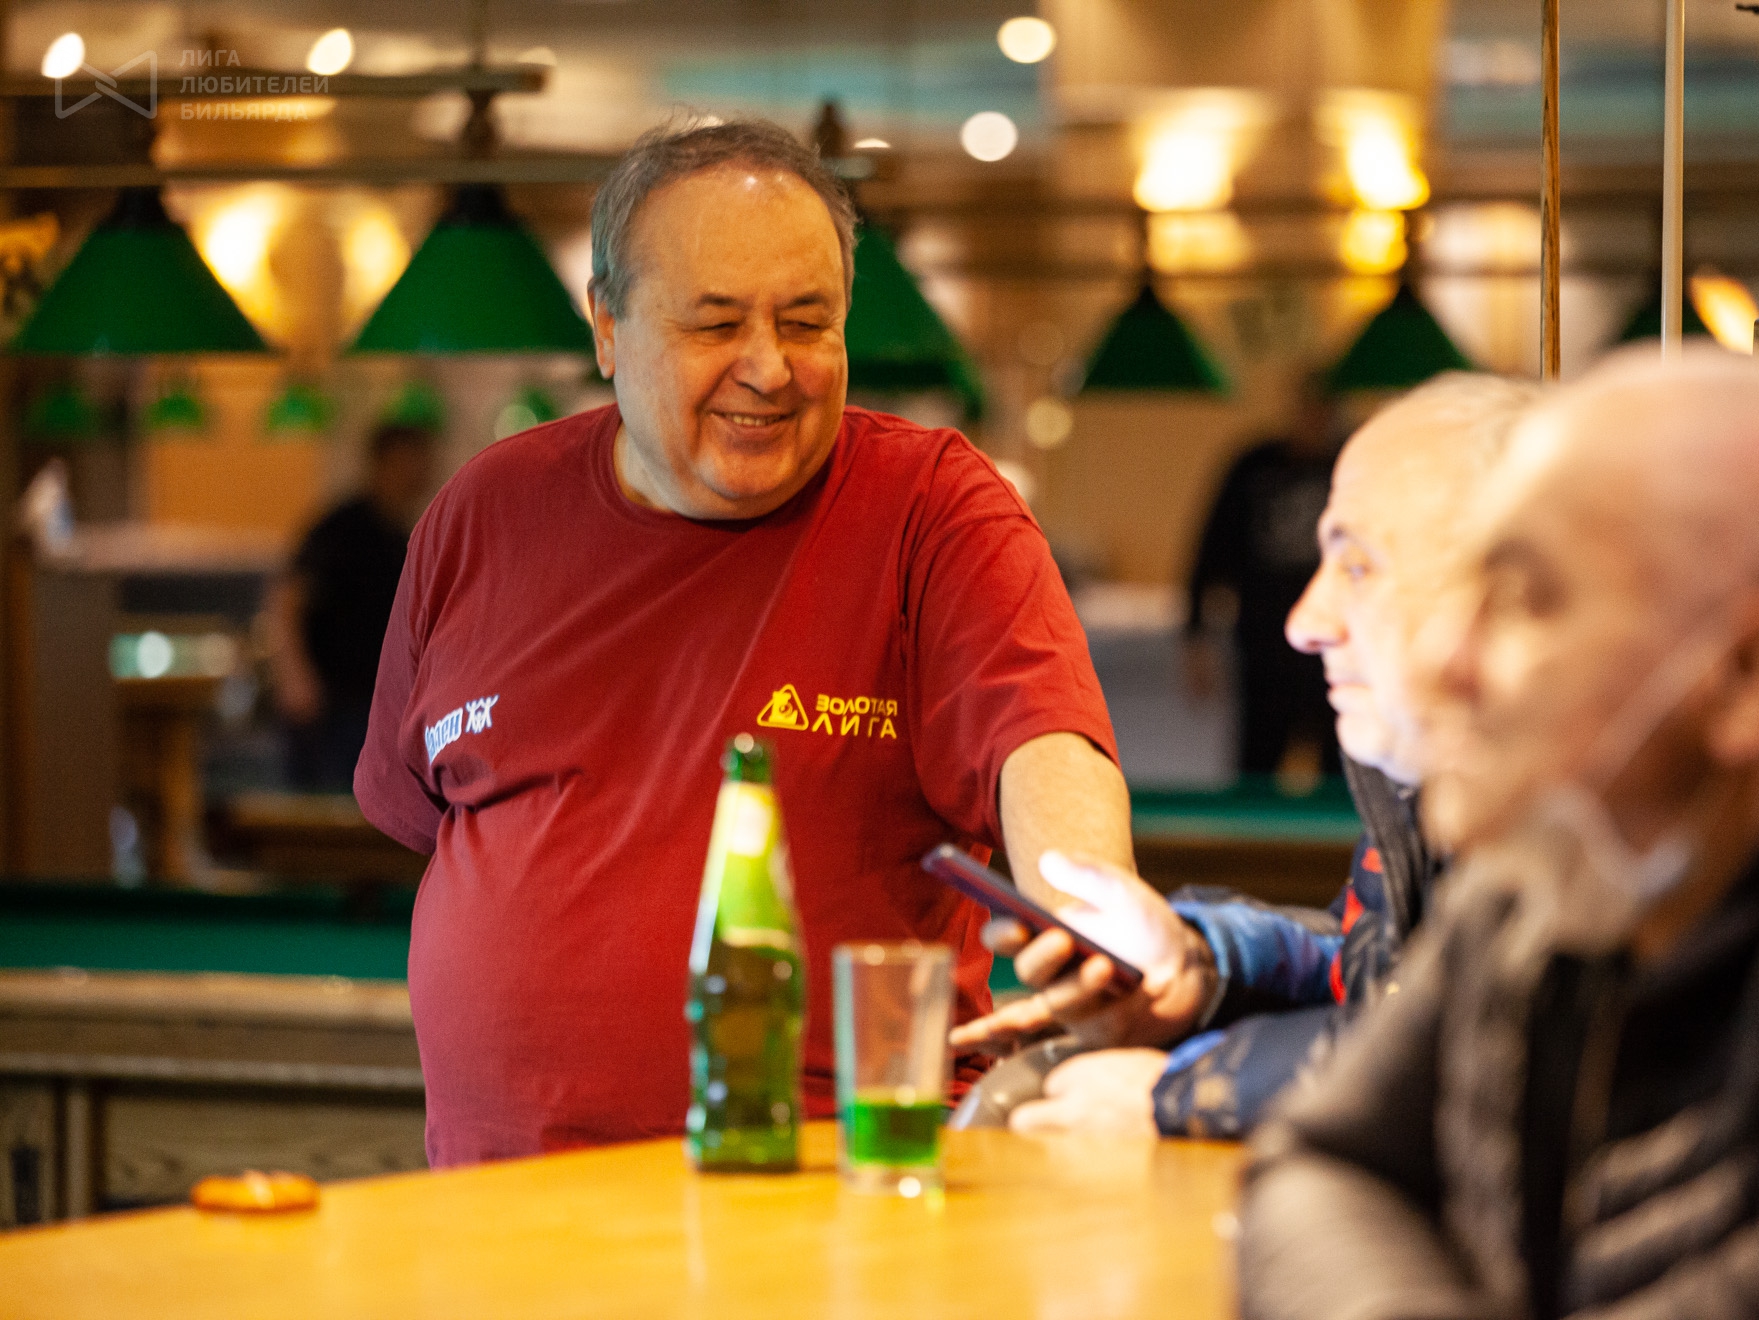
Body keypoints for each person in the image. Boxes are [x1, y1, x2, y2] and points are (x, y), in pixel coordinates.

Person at [355, 118, 1132, 1166]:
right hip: (498, 1204)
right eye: (716, 324)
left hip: (833, 1195)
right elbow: (425, 817)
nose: (769, 368)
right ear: (607, 328)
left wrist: (1090, 933)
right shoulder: (480, 515)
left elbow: (1044, 749)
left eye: (807, 323)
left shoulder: (935, 508)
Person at [1242, 349, 1759, 1319]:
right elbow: (1318, 1165)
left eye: (1528, 599)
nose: (1448, 656)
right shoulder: (1567, 855)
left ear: (1749, 678)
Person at [951, 374, 1538, 1137]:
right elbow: (1375, 971)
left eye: (1358, 567)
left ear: (1515, 595)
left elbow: (1476, 1051)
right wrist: (1197, 962)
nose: (1306, 621)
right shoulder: (1430, 781)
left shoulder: (1595, 820)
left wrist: (1183, 1091)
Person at [1185, 372, 1346, 782]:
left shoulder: (1349, 465)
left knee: (1339, 770)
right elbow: (1210, 551)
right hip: (1263, 648)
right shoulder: (1254, 466)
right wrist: (1195, 635)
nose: (1314, 417)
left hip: (1336, 648)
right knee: (1257, 764)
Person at [269, 421, 435, 792]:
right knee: (324, 811)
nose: (420, 472)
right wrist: (295, 675)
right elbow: (287, 598)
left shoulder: (402, 535)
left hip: (375, 704)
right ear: (384, 463)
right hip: (331, 703)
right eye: (412, 461)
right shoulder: (343, 527)